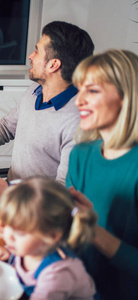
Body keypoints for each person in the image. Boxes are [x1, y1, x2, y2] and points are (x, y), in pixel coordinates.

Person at [0, 21, 94, 197]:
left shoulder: (77, 121)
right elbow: (6, 127)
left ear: (53, 65)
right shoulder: (34, 91)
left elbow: (63, 192)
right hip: (10, 195)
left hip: (35, 212)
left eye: (37, 51)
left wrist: (9, 191)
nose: (31, 56)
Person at [66, 49, 138, 300]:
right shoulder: (81, 155)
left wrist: (92, 230)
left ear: (126, 97)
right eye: (80, 89)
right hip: (77, 286)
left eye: (92, 91)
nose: (78, 100)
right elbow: (69, 231)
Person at [0, 178, 97, 300]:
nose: (8, 235)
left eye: (19, 231)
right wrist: (8, 251)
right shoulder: (31, 248)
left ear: (51, 236)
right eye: (8, 225)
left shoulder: (57, 275)